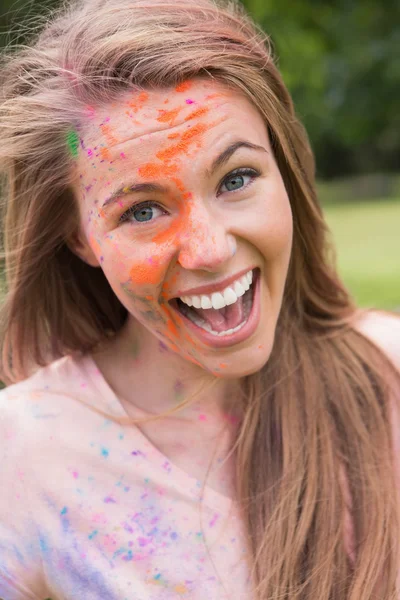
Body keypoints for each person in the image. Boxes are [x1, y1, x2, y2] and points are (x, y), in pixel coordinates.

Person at [0, 0, 399, 598]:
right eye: (142, 210)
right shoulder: (22, 461)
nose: (209, 250)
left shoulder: (389, 374)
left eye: (236, 179)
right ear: (79, 238)